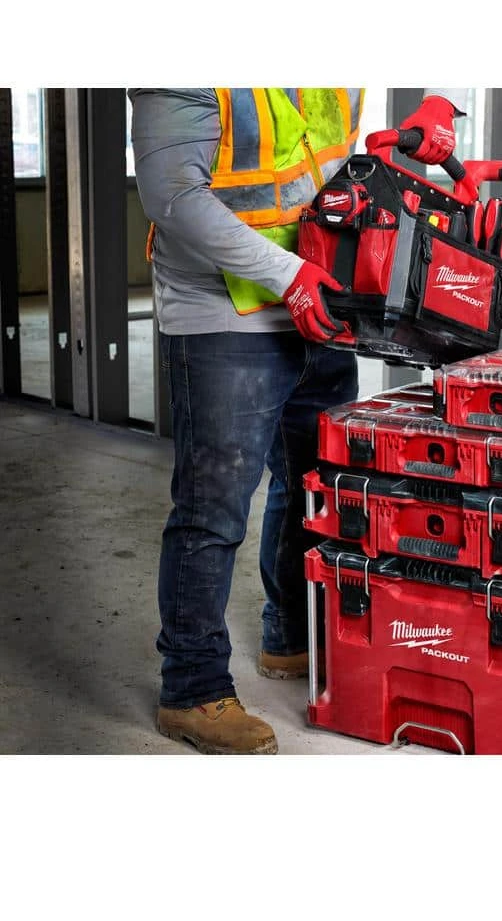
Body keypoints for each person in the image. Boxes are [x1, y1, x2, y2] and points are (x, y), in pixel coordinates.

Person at [129, 88, 463, 754]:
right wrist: (289, 275)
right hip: (226, 309)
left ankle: (290, 634)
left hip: (323, 297)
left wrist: (440, 104)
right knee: (213, 508)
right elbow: (174, 197)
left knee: (312, 484)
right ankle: (191, 689)